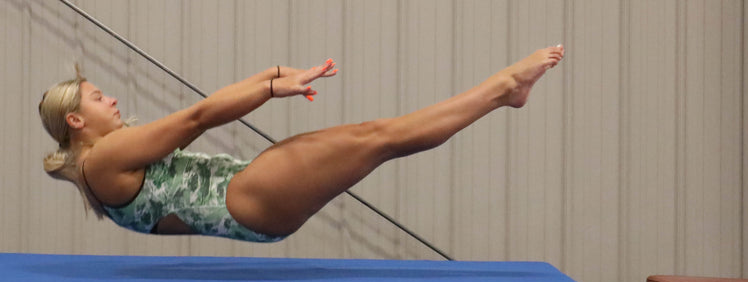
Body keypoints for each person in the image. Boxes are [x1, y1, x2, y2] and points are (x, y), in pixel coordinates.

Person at [38, 45, 565, 243]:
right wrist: (270, 89)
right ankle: (503, 90)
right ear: (77, 121)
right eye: (98, 97)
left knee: (377, 136)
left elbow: (203, 110)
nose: (111, 99)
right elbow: (198, 116)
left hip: (251, 195)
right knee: (382, 137)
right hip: (247, 197)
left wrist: (272, 74)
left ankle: (502, 91)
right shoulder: (104, 159)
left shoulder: (103, 163)